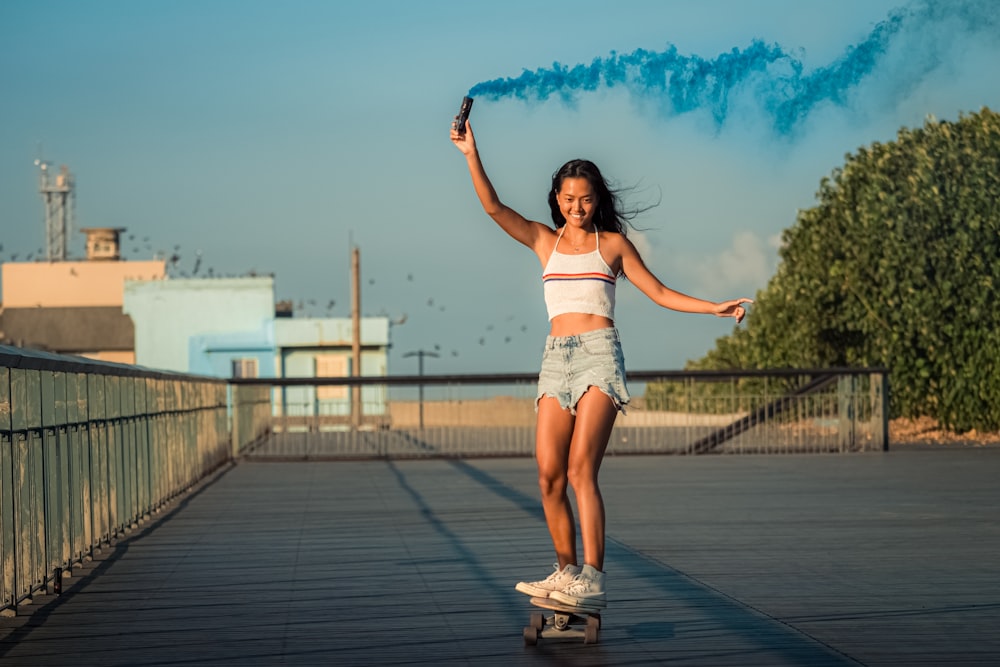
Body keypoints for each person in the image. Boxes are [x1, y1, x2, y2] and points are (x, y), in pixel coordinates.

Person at [450, 117, 752, 609]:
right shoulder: (543, 241)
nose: (576, 207)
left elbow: (658, 291)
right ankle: (566, 571)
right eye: (568, 199)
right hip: (554, 362)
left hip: (598, 357)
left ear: (598, 199)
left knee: (579, 472)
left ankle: (593, 576)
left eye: (585, 199)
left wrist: (714, 306)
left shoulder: (611, 245)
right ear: (556, 199)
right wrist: (470, 154)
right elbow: (492, 207)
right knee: (548, 475)